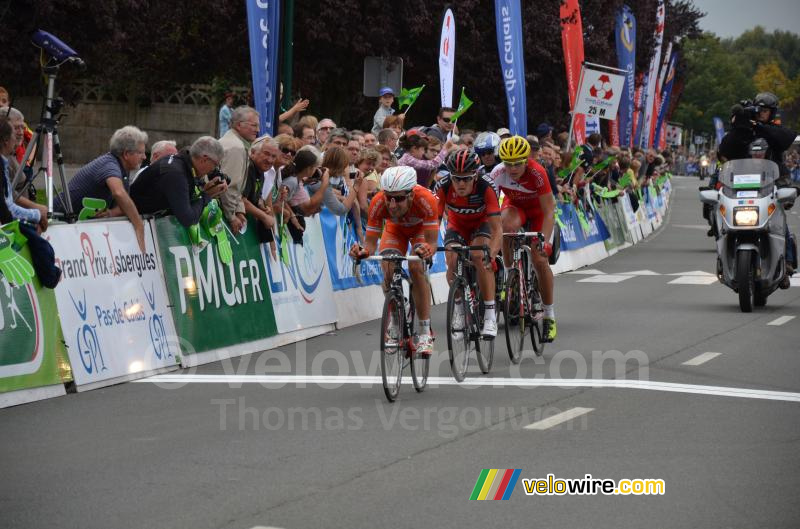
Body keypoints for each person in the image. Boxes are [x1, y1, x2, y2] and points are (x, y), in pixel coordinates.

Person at [349, 166, 439, 355]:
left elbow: (431, 243)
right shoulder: (378, 202)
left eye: (398, 199)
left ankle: (425, 331)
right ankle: (396, 316)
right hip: (395, 230)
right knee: (388, 266)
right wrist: (363, 252)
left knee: (416, 267)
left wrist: (427, 251)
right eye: (388, 197)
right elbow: (370, 244)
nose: (391, 204)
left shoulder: (426, 199)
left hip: (420, 230)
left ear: (411, 195)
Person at [490, 135, 558, 342]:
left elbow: (548, 211)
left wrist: (544, 241)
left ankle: (549, 315)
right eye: (508, 163)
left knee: (539, 259)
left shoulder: (538, 173)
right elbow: (490, 209)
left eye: (518, 163)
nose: (512, 168)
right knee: (506, 226)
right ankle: (509, 275)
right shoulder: (497, 173)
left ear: (527, 160)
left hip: (539, 213)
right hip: (516, 207)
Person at [435, 150, 502, 337]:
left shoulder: (486, 186)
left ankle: (490, 315)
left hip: (482, 223)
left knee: (479, 257)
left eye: (466, 179)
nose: (461, 184)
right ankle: (459, 309)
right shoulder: (442, 186)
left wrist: (492, 255)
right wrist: (428, 245)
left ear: (476, 175)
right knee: (452, 261)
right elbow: (433, 223)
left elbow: (497, 229)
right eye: (456, 178)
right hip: (457, 225)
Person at [55, 125, 147, 252]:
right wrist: (138, 225)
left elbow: (123, 204)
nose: (144, 157)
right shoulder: (109, 164)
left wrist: (111, 213)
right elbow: (119, 193)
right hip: (58, 221)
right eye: (140, 153)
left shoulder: (122, 170)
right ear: (126, 154)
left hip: (75, 228)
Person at [0, 117, 61, 288]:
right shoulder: (3, 163)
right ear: (5, 141)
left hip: (8, 217)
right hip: (5, 222)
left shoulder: (5, 161)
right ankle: (50, 277)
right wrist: (37, 214)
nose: (18, 137)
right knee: (40, 244)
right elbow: (7, 206)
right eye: (15, 133)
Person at [130, 136, 228, 227]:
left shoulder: (187, 157)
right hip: (132, 222)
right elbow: (188, 219)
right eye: (216, 165)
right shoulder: (176, 174)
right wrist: (207, 195)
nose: (214, 169)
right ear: (204, 160)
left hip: (146, 221)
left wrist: (219, 178)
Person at [219, 106, 260, 233]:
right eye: (254, 125)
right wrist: (232, 217)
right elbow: (229, 187)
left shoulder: (235, 143)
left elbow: (235, 188)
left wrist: (240, 210)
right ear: (238, 125)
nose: (258, 130)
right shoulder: (236, 147)